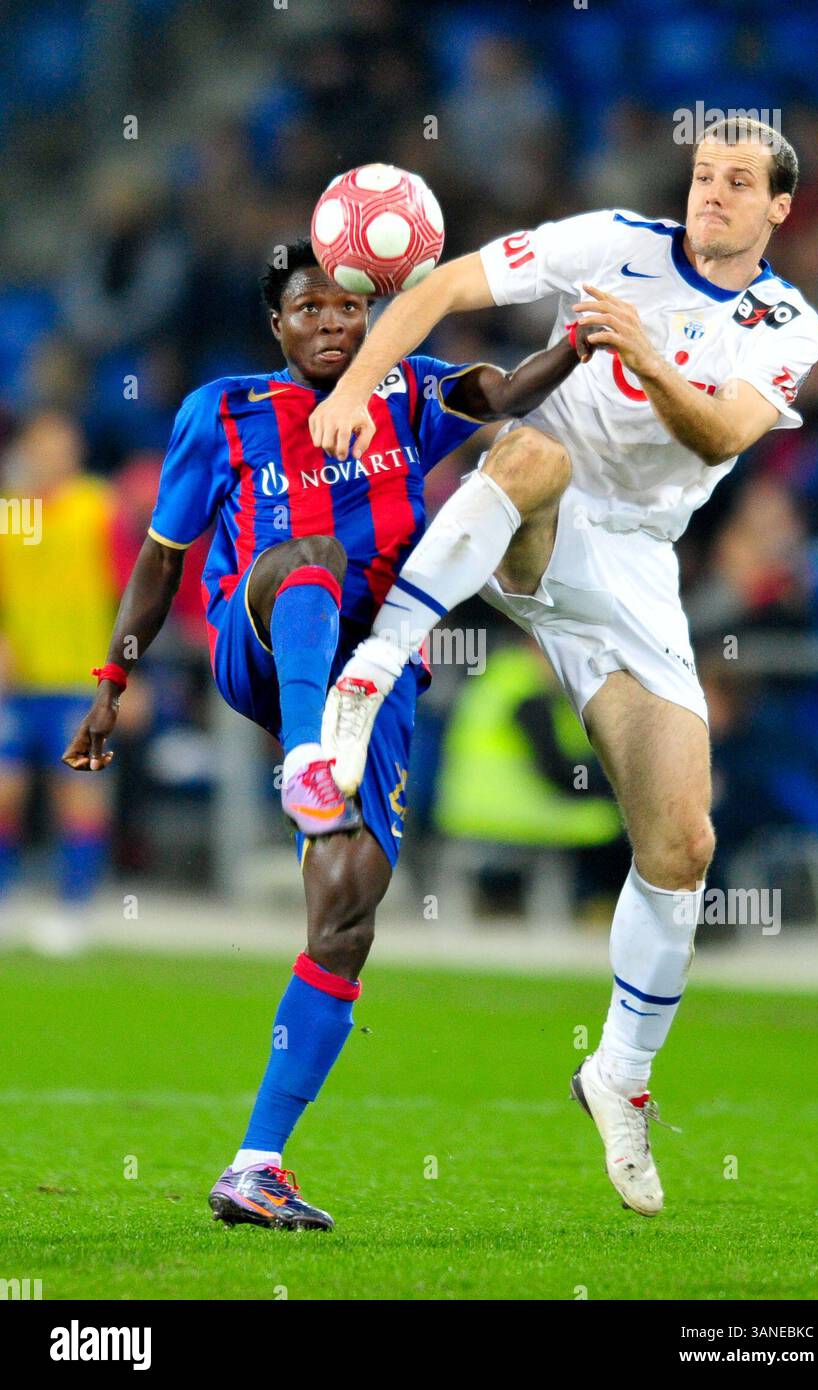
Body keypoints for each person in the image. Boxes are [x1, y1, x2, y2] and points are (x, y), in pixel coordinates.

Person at [309, 120, 818, 1216]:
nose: (713, 194)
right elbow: (443, 285)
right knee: (532, 445)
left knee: (682, 843)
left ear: (781, 207)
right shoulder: (610, 242)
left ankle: (620, 1076)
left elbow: (724, 436)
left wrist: (643, 352)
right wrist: (358, 380)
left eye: (740, 183)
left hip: (634, 572)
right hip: (535, 513)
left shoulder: (787, 322)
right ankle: (370, 672)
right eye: (703, 174)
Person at [62, 238, 585, 1231]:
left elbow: (511, 389)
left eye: (351, 309)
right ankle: (306, 756)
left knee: (347, 911)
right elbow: (162, 561)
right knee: (310, 552)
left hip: (374, 671)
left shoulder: (417, 390)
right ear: (277, 323)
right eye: (311, 309)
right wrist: (112, 681)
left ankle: (257, 1162)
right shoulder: (221, 411)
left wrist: (581, 338)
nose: (333, 326)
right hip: (258, 638)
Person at [0, 411, 116, 954]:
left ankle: (75, 912)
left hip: (81, 678)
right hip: (19, 682)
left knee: (80, 796)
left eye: (60, 446)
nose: (50, 457)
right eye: (40, 447)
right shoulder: (16, 511)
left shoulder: (97, 507)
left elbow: (134, 588)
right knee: (6, 792)